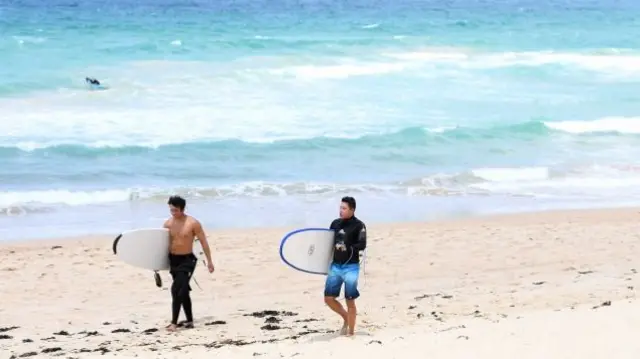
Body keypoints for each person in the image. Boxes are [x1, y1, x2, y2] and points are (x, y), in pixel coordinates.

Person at [163, 195, 215, 332]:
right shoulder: (168, 224)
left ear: (182, 208)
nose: (173, 213)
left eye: (175, 210)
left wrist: (209, 261)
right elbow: (162, 245)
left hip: (188, 260)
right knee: (183, 290)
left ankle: (174, 323)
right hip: (173, 260)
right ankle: (190, 320)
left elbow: (203, 242)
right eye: (171, 210)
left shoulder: (193, 223)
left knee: (176, 290)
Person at [324, 196, 367, 336]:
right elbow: (327, 244)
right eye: (340, 207)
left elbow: (362, 244)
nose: (341, 210)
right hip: (336, 266)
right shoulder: (335, 223)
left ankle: (351, 332)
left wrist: (348, 246)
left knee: (350, 299)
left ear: (352, 210)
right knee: (328, 298)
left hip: (351, 267)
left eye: (344, 208)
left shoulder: (359, 225)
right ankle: (346, 318)